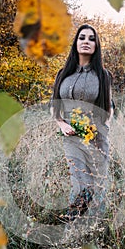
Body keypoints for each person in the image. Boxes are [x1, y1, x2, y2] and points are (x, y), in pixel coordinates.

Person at [51, 24, 114, 223]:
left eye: (91, 39)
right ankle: (74, 220)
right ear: (76, 43)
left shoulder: (103, 75)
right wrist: (62, 125)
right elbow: (55, 108)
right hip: (71, 136)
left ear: (96, 46)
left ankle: (95, 223)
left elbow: (109, 107)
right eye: (82, 38)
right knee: (79, 179)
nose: (86, 41)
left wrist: (99, 128)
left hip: (96, 136)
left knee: (96, 180)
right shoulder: (63, 74)